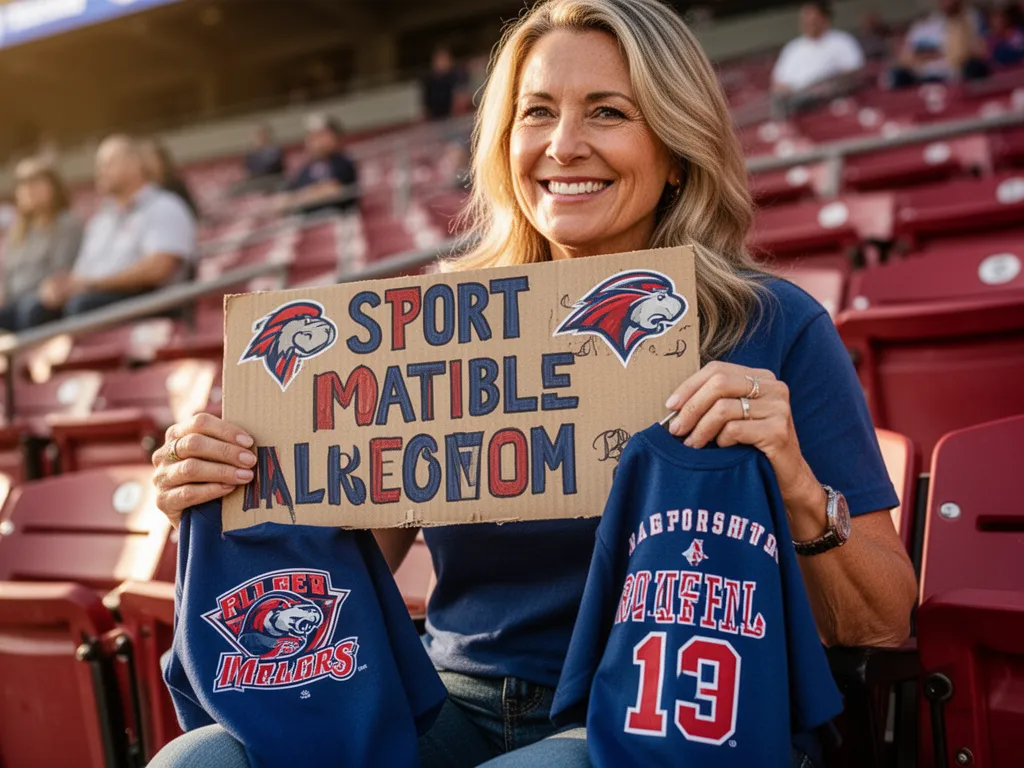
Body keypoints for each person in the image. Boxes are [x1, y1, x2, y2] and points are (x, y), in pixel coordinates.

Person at [149, 1, 917, 767]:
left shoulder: (772, 322)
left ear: (678, 147)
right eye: (537, 112)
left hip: (662, 707)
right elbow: (355, 570)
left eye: (609, 112)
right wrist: (238, 482)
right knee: (198, 761)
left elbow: (882, 620)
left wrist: (797, 488)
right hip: (453, 702)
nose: (565, 145)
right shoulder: (439, 323)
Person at [22, 135, 196, 325]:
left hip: (148, 299)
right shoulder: (101, 221)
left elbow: (159, 269)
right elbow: (82, 271)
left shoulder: (164, 206)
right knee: (36, 309)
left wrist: (93, 284)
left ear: (135, 164)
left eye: (108, 163)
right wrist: (61, 286)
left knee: (80, 306)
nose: (100, 171)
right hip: (97, 294)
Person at [0, 159, 82, 332]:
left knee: (30, 310)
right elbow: (8, 280)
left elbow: (60, 274)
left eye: (35, 182)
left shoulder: (67, 225)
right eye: (23, 184)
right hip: (15, 301)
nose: (29, 190)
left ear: (52, 187)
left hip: (45, 302)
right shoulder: (17, 234)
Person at [771, 2, 865, 105]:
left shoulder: (843, 41)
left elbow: (853, 74)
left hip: (832, 102)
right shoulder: (791, 49)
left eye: (812, 19)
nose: (807, 23)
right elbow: (778, 85)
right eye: (804, 19)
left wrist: (821, 88)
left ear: (825, 19)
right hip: (797, 106)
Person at [889, 0, 990, 87]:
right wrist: (924, 56)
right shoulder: (926, 24)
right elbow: (906, 57)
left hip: (953, 75)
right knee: (898, 75)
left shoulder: (970, 20)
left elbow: (961, 54)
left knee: (974, 67)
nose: (948, 3)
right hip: (923, 75)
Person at [273, 113, 358, 215]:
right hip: (309, 221)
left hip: (338, 219)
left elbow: (332, 190)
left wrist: (300, 198)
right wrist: (306, 196)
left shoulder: (342, 162)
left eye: (320, 135)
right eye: (312, 137)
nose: (315, 141)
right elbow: (284, 199)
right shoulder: (306, 168)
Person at [140, 138, 200, 219]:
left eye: (151, 158)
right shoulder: (143, 189)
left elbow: (191, 213)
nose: (148, 164)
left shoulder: (176, 186)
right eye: (145, 159)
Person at [421, 47, 467, 121]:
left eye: (445, 59)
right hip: (436, 121)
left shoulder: (456, 77)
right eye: (440, 60)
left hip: (453, 119)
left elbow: (460, 100)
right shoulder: (429, 82)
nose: (442, 63)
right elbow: (426, 106)